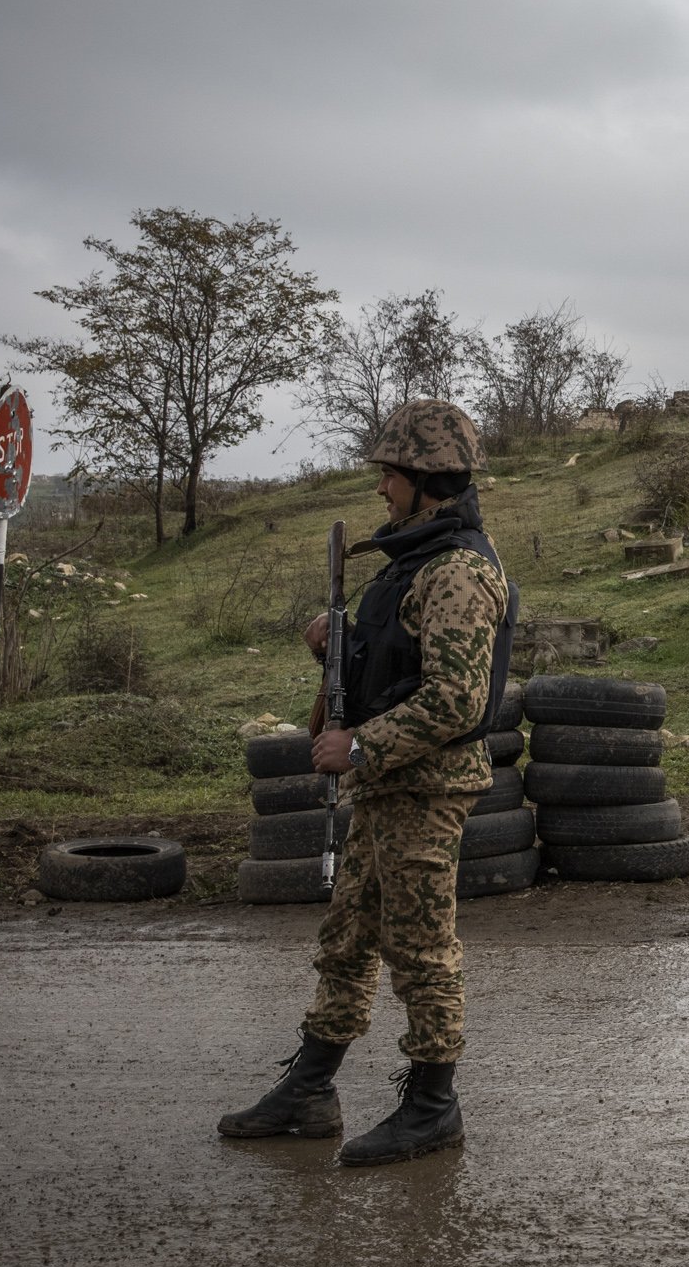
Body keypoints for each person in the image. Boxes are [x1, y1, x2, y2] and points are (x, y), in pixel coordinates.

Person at [217, 398, 515, 1163]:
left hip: (425, 786)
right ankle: (311, 1088)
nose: (381, 490)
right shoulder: (412, 562)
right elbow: (395, 671)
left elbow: (457, 698)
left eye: (389, 475)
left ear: (427, 479)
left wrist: (358, 748)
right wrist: (335, 653)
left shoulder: (458, 571)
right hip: (389, 785)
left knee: (421, 949)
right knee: (347, 938)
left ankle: (433, 1105)